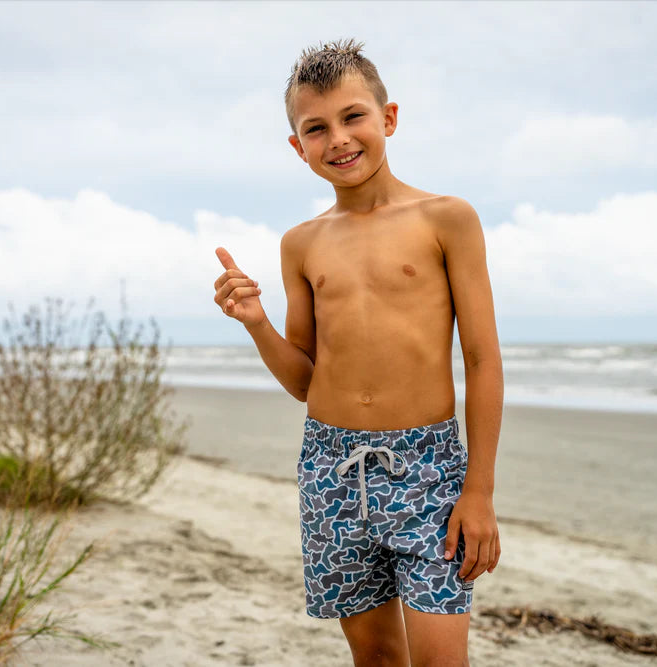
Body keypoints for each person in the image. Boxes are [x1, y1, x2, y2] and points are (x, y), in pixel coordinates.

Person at [213, 39, 503, 667]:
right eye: (316, 128)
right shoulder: (302, 244)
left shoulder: (446, 219)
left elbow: (482, 360)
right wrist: (255, 322)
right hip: (331, 468)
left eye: (353, 117)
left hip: (429, 470)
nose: (338, 139)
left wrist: (477, 489)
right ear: (298, 146)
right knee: (374, 657)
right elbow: (303, 381)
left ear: (388, 118)